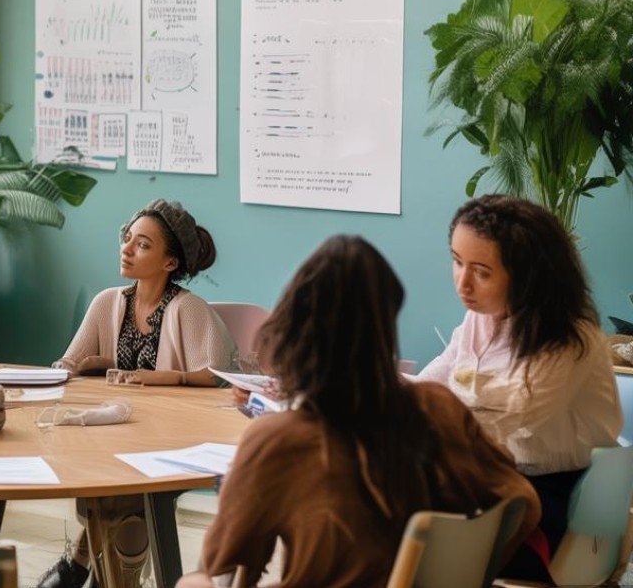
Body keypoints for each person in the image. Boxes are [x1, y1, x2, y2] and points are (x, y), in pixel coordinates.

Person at [177, 235, 541, 588]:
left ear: (292, 323)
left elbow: (223, 566)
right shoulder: (439, 408)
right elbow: (522, 501)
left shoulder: (278, 440)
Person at [414, 194, 622, 581]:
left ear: (526, 276)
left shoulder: (569, 339)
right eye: (457, 262)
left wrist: (422, 406)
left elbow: (511, 415)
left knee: (419, 537)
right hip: (498, 474)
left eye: (482, 271)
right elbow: (441, 375)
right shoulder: (482, 317)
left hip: (561, 496)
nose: (463, 283)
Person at [41, 199, 235, 588]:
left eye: (143, 244)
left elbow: (214, 374)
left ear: (170, 263)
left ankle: (84, 568)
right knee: (108, 485)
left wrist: (163, 377)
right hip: (116, 433)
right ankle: (104, 574)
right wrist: (82, 365)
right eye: (127, 239)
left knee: (123, 488)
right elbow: (64, 364)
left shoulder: (188, 308)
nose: (127, 249)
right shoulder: (108, 302)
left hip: (174, 437)